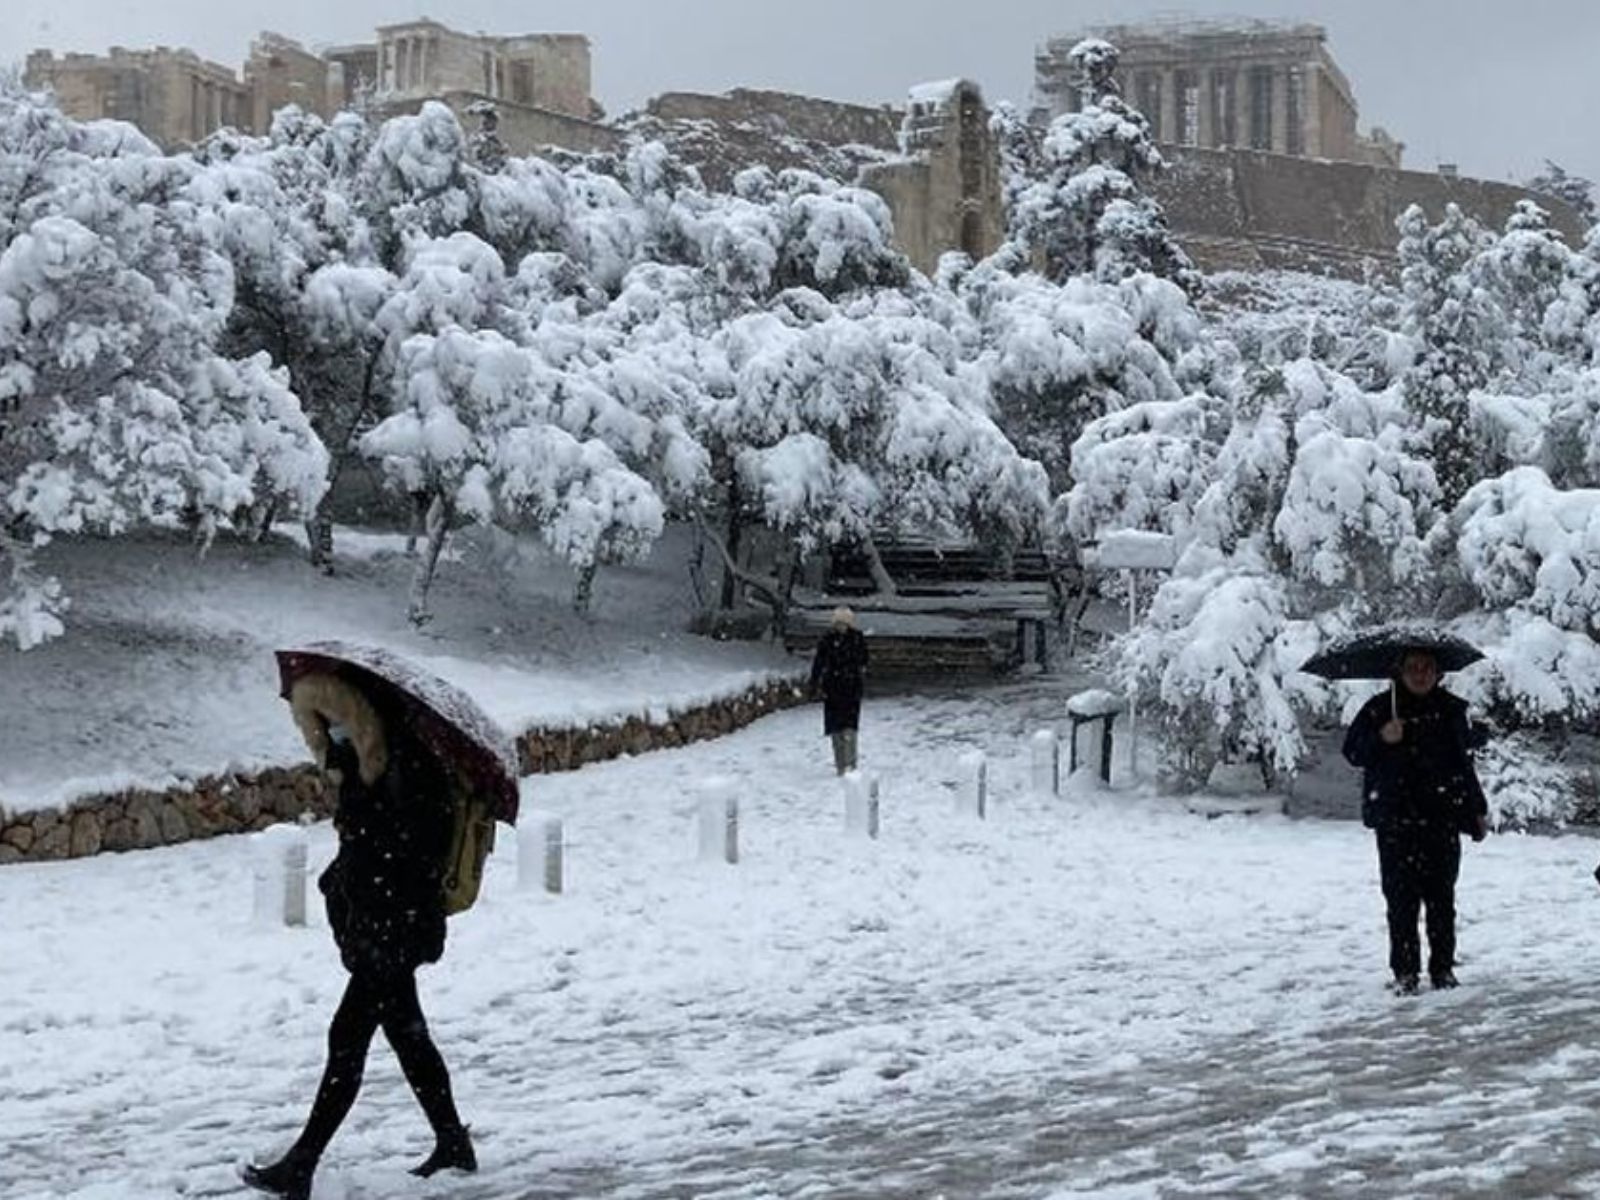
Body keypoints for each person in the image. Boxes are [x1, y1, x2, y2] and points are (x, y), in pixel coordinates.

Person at [243, 672, 475, 1200]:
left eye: (336, 723)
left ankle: (301, 1165)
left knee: (346, 1040)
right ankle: (452, 1142)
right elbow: (365, 847)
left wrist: (365, 844)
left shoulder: (411, 766)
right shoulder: (365, 768)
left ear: (358, 719)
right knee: (406, 1034)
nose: (331, 735)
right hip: (378, 925)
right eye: (321, 726)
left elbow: (414, 848)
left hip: (395, 928)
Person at [1342, 648, 1489, 996]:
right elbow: (1353, 752)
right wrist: (1382, 738)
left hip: (1441, 818)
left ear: (1438, 672)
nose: (1420, 674)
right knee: (1401, 902)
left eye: (1427, 668)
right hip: (1396, 821)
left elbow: (1462, 764)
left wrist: (1476, 809)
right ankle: (1405, 972)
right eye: (1412, 668)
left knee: (1442, 901)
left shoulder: (1452, 710)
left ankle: (1442, 970)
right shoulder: (1380, 709)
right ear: (1400, 672)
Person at [809, 606, 869, 775]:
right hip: (838, 688)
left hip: (845, 688)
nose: (841, 627)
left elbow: (863, 660)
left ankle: (847, 763)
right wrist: (815, 682)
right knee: (839, 728)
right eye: (838, 623)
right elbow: (819, 662)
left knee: (845, 727)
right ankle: (844, 764)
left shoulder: (853, 639)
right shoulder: (832, 640)